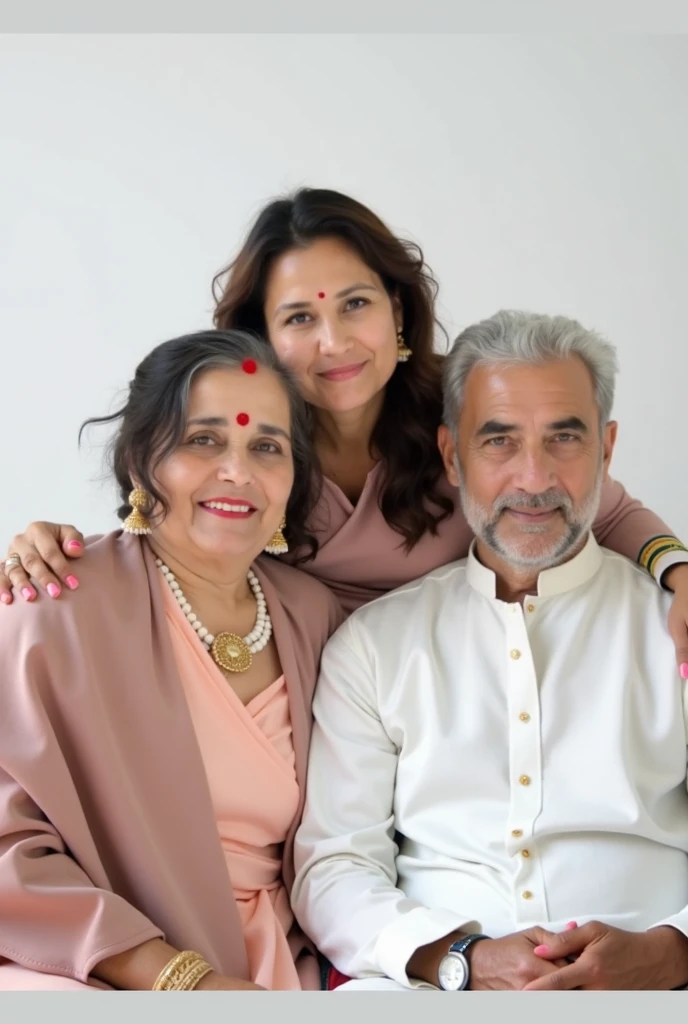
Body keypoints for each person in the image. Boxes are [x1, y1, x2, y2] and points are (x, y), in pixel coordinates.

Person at [2, 188, 688, 667]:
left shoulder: (468, 405)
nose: (334, 343)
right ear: (262, 337)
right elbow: (168, 531)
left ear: (396, 309)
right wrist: (50, 545)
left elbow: (605, 509)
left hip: (471, 685)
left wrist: (679, 573)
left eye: (354, 305)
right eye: (300, 318)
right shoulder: (251, 452)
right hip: (314, 704)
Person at [291, 310, 688, 992]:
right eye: (499, 440)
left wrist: (671, 952)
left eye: (564, 438)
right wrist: (462, 959)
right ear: (452, 456)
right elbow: (333, 868)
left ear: (607, 448)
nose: (533, 479)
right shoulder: (375, 645)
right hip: (427, 992)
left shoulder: (673, 627)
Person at [0, 329, 343, 991]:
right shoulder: (51, 604)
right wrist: (184, 981)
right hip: (93, 968)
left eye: (265, 446)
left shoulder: (315, 617)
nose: (238, 472)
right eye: (203, 440)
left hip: (288, 959)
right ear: (139, 460)